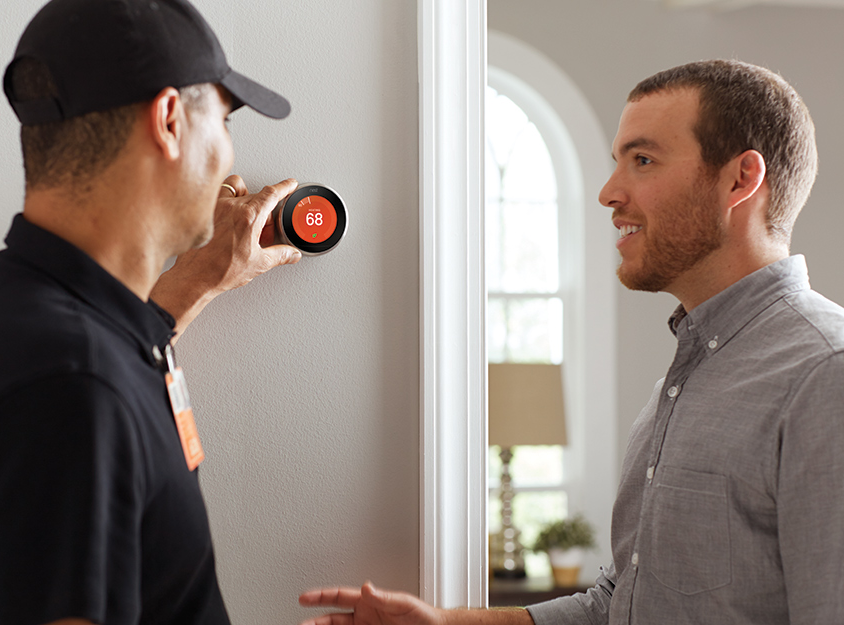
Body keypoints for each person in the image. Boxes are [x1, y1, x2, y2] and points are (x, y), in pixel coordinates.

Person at [300, 60, 844, 625]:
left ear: (740, 179)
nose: (610, 193)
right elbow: (618, 603)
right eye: (618, 163)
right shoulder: (680, 388)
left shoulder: (826, 375)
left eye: (643, 160)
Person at [0, 0, 301, 623]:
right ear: (169, 120)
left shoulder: (9, 308)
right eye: (224, 120)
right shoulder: (71, 384)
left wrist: (192, 287)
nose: (228, 152)